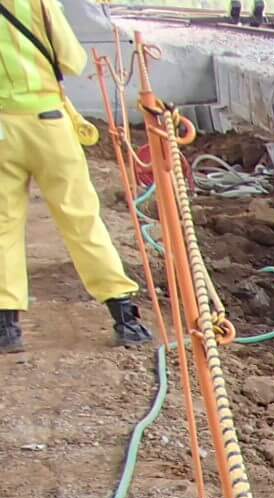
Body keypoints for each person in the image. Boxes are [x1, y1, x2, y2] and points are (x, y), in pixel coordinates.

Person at [0, 0, 150, 353]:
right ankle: (124, 316)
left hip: (3, 130)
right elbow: (72, 60)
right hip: (48, 124)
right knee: (80, 219)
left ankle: (7, 328)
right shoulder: (37, 2)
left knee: (3, 226)